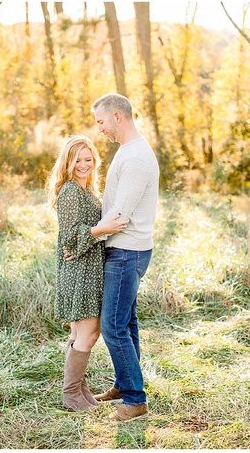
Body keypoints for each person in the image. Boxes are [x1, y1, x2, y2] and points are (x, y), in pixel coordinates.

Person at [66, 93, 159, 422]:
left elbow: (120, 214)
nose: (100, 128)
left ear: (117, 117)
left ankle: (135, 400)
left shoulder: (135, 158)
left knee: (113, 327)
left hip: (126, 252)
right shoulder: (129, 151)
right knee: (127, 322)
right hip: (125, 249)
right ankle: (125, 384)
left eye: (101, 121)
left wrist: (84, 239)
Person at [46, 135, 129, 412]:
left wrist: (99, 232)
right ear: (68, 162)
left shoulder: (88, 191)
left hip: (89, 267)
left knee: (81, 333)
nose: (84, 164)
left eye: (88, 159)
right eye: (78, 160)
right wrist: (102, 230)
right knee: (89, 333)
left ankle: (81, 393)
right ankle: (71, 396)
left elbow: (84, 233)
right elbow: (69, 238)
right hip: (79, 271)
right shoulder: (70, 191)